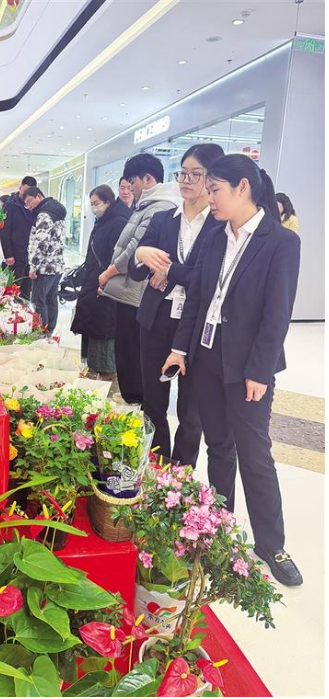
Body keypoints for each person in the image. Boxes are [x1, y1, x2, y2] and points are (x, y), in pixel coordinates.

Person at [162, 154, 302, 587]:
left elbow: (277, 315)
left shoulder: (280, 242)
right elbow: (198, 297)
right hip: (206, 358)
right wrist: (179, 349)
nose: (210, 198)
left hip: (248, 369)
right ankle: (220, 528)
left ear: (243, 188)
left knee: (255, 455)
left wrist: (259, 371)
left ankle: (272, 545)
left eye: (215, 189)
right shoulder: (214, 236)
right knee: (218, 447)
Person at [128, 143, 225, 466]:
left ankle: (181, 474)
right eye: (182, 173)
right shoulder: (163, 220)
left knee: (191, 409)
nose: (186, 180)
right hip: (155, 320)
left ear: (212, 178)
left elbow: (208, 279)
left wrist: (169, 271)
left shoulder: (221, 227)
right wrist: (141, 254)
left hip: (195, 325)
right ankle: (157, 466)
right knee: (153, 402)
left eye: (195, 174)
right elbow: (135, 270)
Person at [98, 153, 181, 405]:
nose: (129, 188)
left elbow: (136, 248)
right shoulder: (145, 205)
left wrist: (109, 272)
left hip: (137, 293)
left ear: (147, 178)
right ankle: (132, 400)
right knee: (126, 351)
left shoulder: (160, 206)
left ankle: (137, 404)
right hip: (128, 291)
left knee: (133, 353)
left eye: (131, 182)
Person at [71, 185, 131, 380]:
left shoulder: (118, 222)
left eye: (96, 203)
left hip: (106, 284)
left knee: (103, 327)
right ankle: (94, 369)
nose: (93, 207)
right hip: (94, 280)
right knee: (93, 325)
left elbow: (118, 258)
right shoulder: (103, 221)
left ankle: (105, 373)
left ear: (108, 202)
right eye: (91, 204)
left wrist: (106, 279)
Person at [24, 187, 67, 334]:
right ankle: (50, 331)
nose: (29, 206)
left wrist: (33, 267)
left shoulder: (44, 214)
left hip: (44, 268)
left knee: (38, 301)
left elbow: (41, 243)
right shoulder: (57, 211)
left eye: (30, 201)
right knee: (51, 299)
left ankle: (41, 333)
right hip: (56, 266)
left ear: (39, 196)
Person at [0, 176, 37, 299]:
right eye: (24, 190)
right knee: (13, 288)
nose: (26, 194)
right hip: (15, 255)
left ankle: (25, 309)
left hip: (29, 255)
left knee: (27, 289)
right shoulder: (10, 205)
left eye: (29, 191)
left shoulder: (32, 205)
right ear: (20, 188)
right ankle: (12, 309)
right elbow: (4, 230)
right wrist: (8, 254)